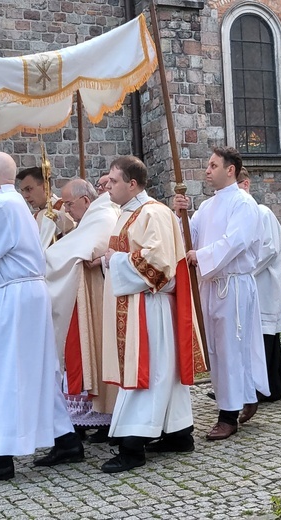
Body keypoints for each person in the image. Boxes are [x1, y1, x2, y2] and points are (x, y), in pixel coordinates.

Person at [0, 152, 83, 486]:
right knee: (36, 370)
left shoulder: (1, 206)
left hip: (17, 297)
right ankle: (66, 440)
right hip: (19, 293)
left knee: (8, 373)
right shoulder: (13, 204)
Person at [100, 155, 204, 473]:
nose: (108, 188)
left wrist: (112, 260)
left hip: (149, 305)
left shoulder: (153, 212)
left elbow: (159, 263)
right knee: (162, 373)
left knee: (147, 374)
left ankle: (133, 447)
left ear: (132, 184)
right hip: (135, 305)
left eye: (113, 181)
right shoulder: (127, 213)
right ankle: (178, 434)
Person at [173, 147, 269, 440]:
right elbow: (191, 236)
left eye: (213, 165)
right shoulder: (206, 206)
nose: (207, 170)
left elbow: (235, 242)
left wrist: (200, 256)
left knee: (230, 348)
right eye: (208, 165)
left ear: (231, 170)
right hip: (211, 284)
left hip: (233, 284)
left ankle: (228, 416)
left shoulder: (243, 203)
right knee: (215, 348)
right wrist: (180, 215)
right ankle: (243, 395)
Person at [45, 179, 120, 443]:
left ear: (86, 201)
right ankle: (96, 418)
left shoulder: (103, 214)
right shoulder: (90, 217)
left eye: (69, 204)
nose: (66, 209)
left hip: (98, 296)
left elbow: (87, 248)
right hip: (83, 296)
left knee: (96, 353)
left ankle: (103, 419)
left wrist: (49, 260)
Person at [237, 168, 281, 402]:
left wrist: (240, 270)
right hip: (246, 284)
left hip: (262, 284)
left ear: (245, 184)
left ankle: (263, 387)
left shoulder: (262, 212)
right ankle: (259, 386)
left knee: (264, 338)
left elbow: (268, 249)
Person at [17, 166, 75, 249]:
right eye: (23, 191)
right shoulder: (34, 217)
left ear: (45, 187)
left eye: (29, 189)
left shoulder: (65, 208)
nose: (25, 196)